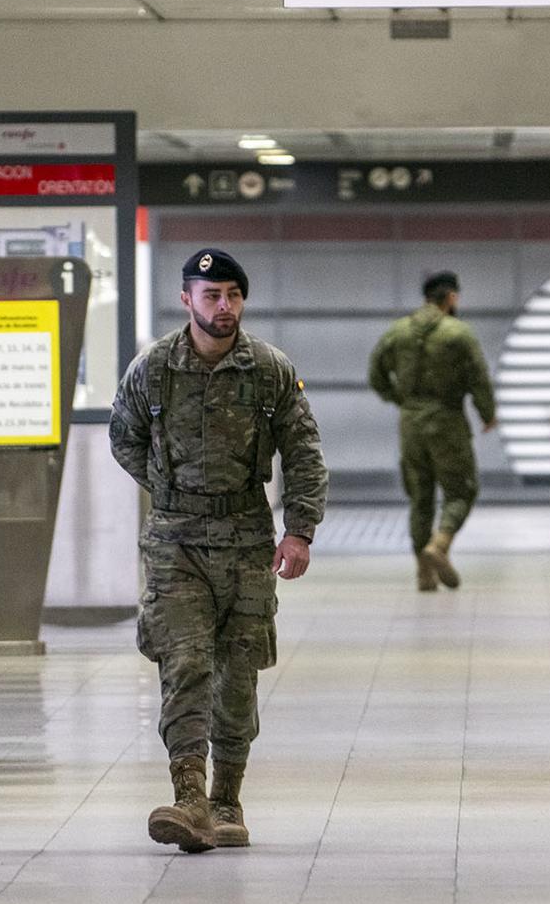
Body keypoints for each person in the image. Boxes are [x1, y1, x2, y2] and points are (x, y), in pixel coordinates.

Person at [110, 248, 329, 853]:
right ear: (187, 299)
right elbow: (124, 437)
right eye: (211, 295)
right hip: (175, 543)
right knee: (184, 663)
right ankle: (189, 798)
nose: (224, 305)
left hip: (246, 540)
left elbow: (304, 450)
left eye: (233, 294)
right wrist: (172, 491)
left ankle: (227, 799)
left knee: (236, 673)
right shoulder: (154, 369)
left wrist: (299, 530)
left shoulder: (269, 370)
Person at [368, 270, 497, 592]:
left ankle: (424, 574)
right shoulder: (459, 333)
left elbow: (375, 374)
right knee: (461, 492)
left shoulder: (398, 332)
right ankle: (439, 545)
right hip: (448, 421)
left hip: (410, 425)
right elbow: (479, 378)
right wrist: (487, 414)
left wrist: (401, 400)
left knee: (420, 498)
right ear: (451, 297)